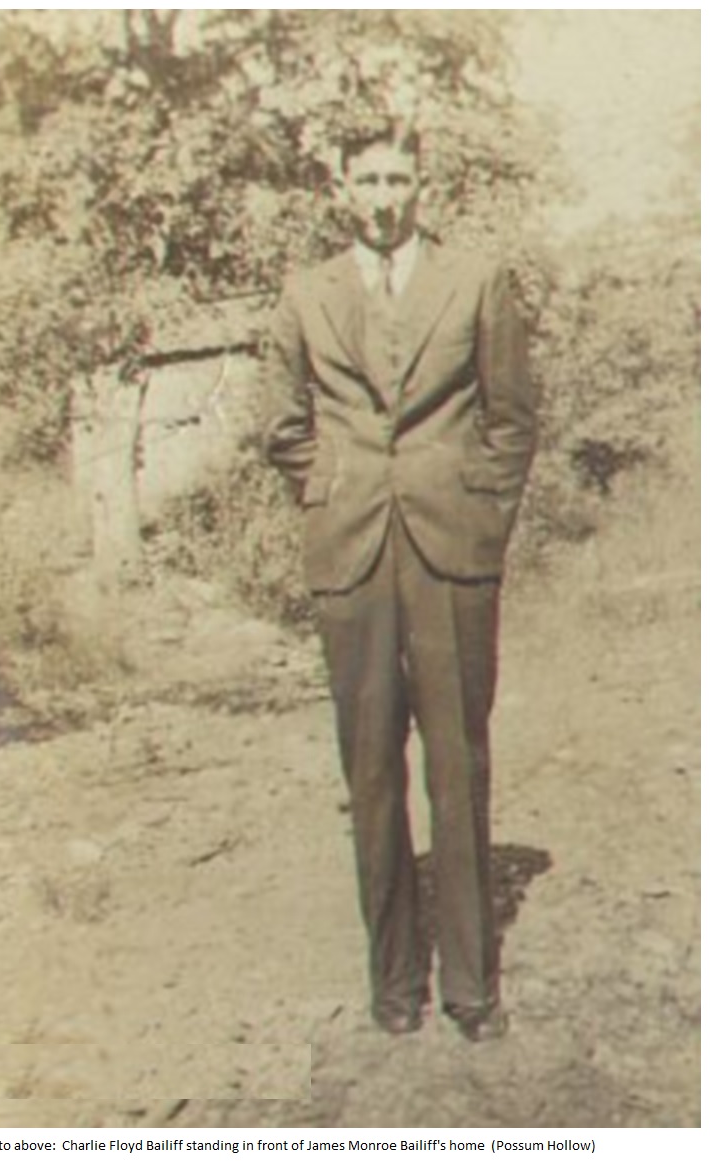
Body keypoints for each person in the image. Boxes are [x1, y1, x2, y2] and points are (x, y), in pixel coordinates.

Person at [264, 118, 538, 1040]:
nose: (382, 198)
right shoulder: (305, 293)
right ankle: (392, 981)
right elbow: (282, 426)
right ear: (340, 190)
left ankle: (470, 986)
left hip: (450, 551)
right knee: (371, 766)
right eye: (367, 181)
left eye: (396, 179)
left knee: (457, 761)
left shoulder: (476, 279)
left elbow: (511, 418)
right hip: (351, 552)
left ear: (420, 184)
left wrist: (480, 514)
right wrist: (336, 487)